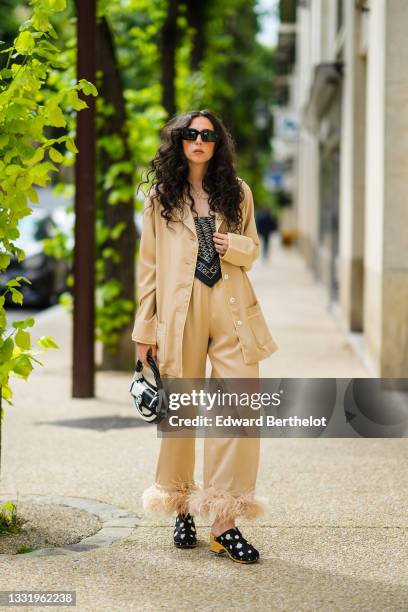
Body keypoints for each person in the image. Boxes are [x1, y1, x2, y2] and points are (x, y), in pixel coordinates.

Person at [131, 109, 279, 564]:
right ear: (179, 142)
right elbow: (149, 268)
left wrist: (230, 245)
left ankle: (223, 523)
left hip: (231, 307)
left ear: (218, 144)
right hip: (179, 312)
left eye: (208, 135)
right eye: (191, 134)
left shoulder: (238, 193)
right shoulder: (161, 198)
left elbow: (251, 249)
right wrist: (145, 331)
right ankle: (181, 505)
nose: (199, 141)